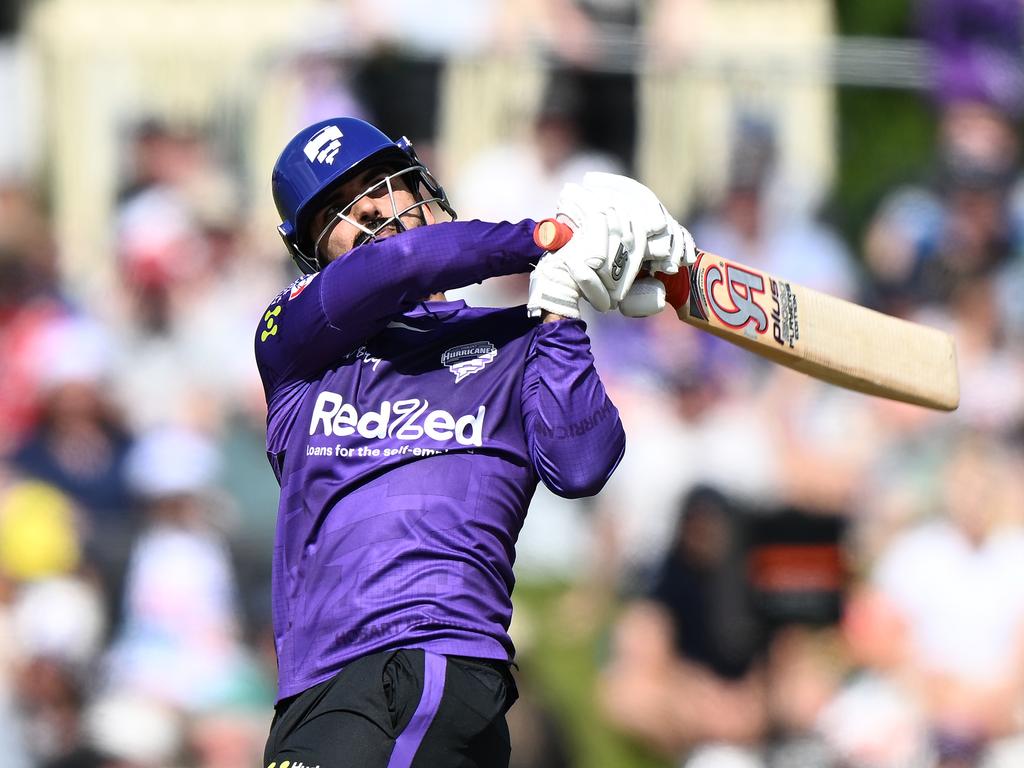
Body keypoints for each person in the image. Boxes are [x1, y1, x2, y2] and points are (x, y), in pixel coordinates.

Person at [255, 116, 693, 768]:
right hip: (316, 690)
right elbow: (396, 264)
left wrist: (563, 310)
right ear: (313, 251)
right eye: (338, 208)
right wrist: (553, 238)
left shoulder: (517, 339)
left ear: (425, 191)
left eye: (383, 183)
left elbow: (582, 464)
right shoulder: (295, 344)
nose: (371, 205)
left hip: (427, 660)